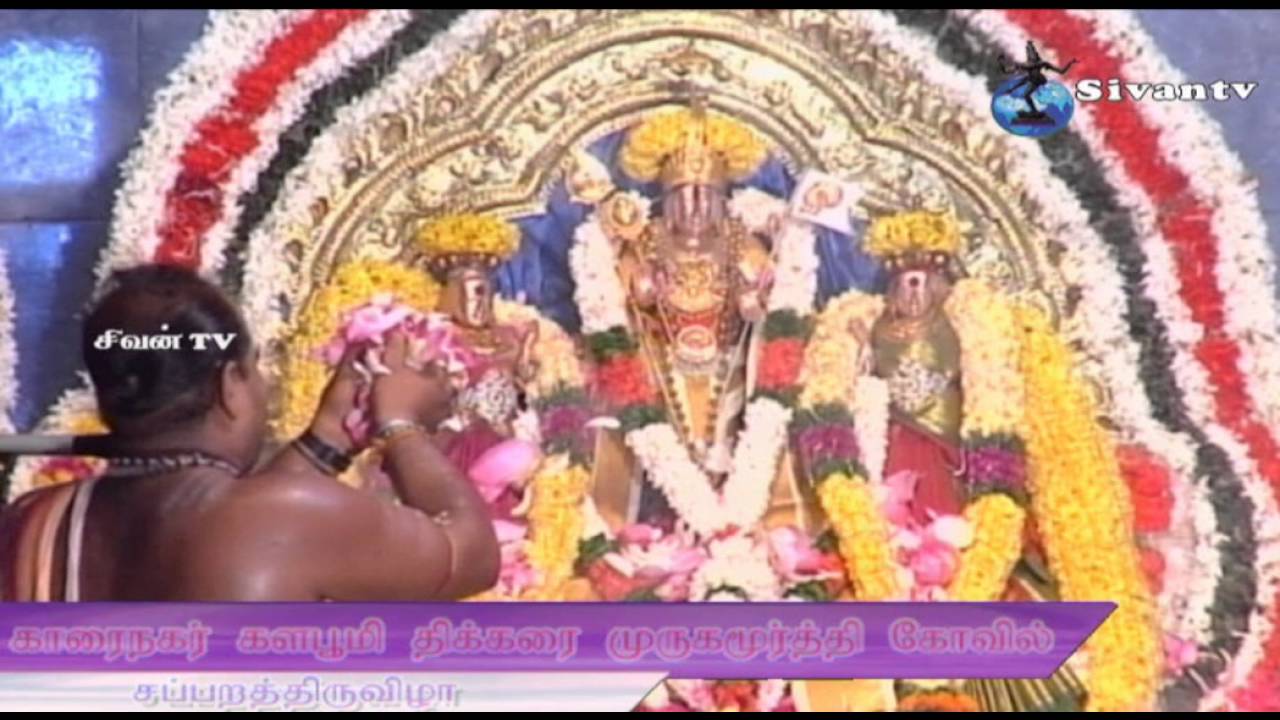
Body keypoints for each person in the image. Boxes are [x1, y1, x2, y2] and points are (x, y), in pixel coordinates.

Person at [0, 265, 499, 601]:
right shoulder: (279, 517)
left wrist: (328, 437)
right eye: (253, 368)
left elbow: (230, 528)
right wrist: (401, 424)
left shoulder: (32, 519)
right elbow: (472, 556)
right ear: (230, 383)